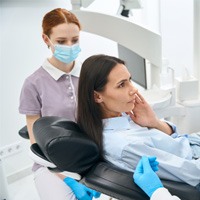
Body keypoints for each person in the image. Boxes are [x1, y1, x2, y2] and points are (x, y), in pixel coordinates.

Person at [77, 54, 200, 190]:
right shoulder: (125, 145)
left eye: (130, 80)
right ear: (97, 96)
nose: (134, 89)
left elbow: (179, 140)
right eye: (122, 85)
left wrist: (154, 123)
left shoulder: (123, 116)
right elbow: (192, 173)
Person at [19, 8, 100, 200]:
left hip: (92, 156)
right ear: (46, 39)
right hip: (52, 164)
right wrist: (66, 178)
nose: (70, 46)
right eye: (61, 42)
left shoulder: (90, 76)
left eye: (75, 40)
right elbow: (36, 142)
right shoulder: (33, 83)